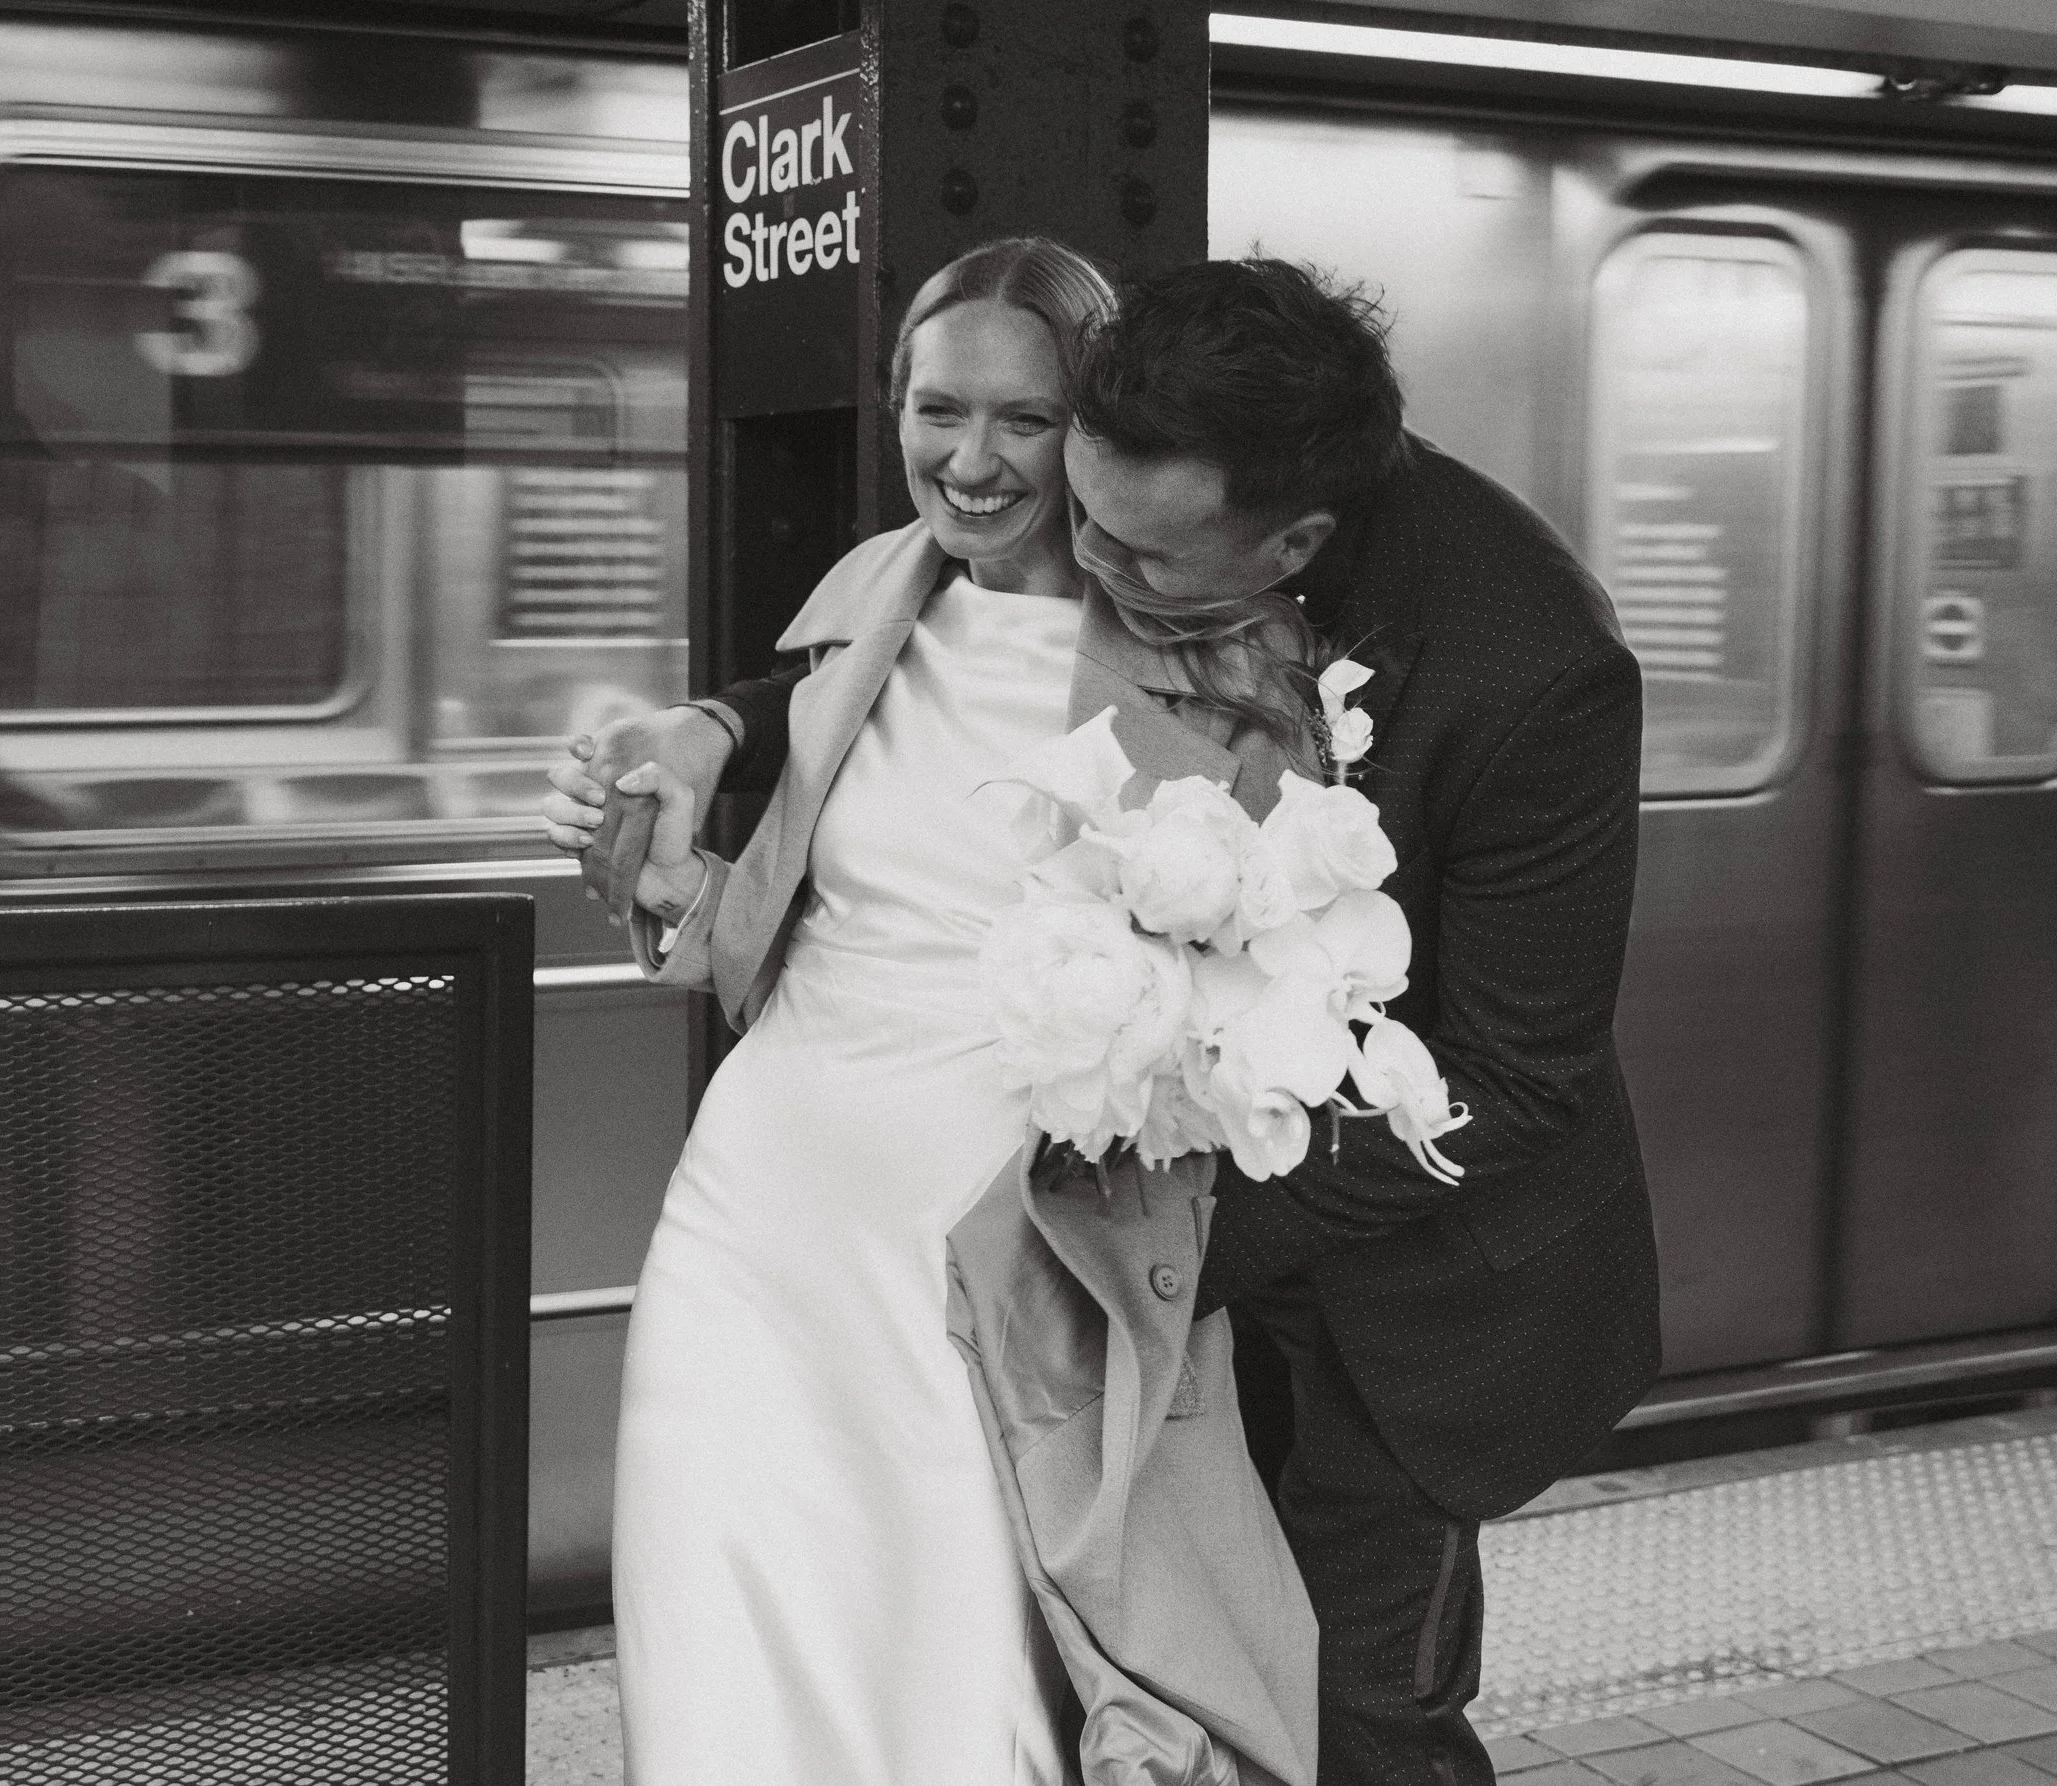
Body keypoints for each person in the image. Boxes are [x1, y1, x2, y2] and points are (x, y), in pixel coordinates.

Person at [558, 256, 1662, 1786]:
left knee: (1352, 1718)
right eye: (1082, 519)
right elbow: (911, 645)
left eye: (1140, 560)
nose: (1095, 577)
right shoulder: (1145, 498)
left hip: (1394, 1295)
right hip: (1128, 1257)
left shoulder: (1530, 668)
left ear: (1297, 545)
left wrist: (1126, 1239)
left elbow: (1511, 1081)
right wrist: (717, 723)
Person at [544, 238, 1317, 1786]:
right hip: (756, 1217)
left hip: (989, 1250)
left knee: (955, 1665)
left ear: (1094, 432)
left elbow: (1265, 990)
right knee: (723, 1634)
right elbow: (775, 932)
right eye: (936, 408)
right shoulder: (866, 609)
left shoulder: (1222, 660)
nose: (970, 461)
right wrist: (656, 837)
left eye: (1025, 421)